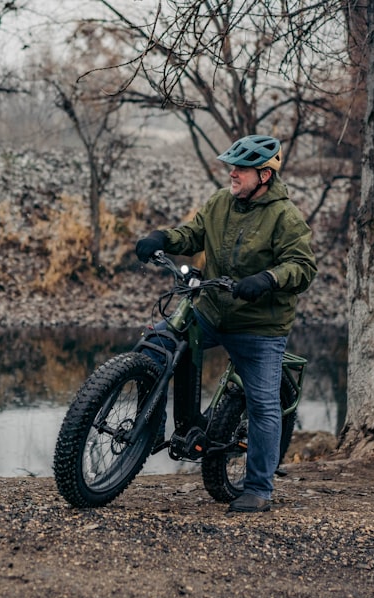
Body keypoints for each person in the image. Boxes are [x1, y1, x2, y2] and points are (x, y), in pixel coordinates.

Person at [135, 134, 317, 513]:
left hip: (259, 327)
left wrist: (267, 279)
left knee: (264, 405)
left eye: (241, 168)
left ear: (264, 175)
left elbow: (302, 267)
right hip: (213, 310)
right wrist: (161, 238)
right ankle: (149, 430)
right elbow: (193, 233)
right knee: (157, 345)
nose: (232, 173)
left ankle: (258, 489)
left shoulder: (285, 217)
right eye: (231, 166)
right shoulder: (221, 202)